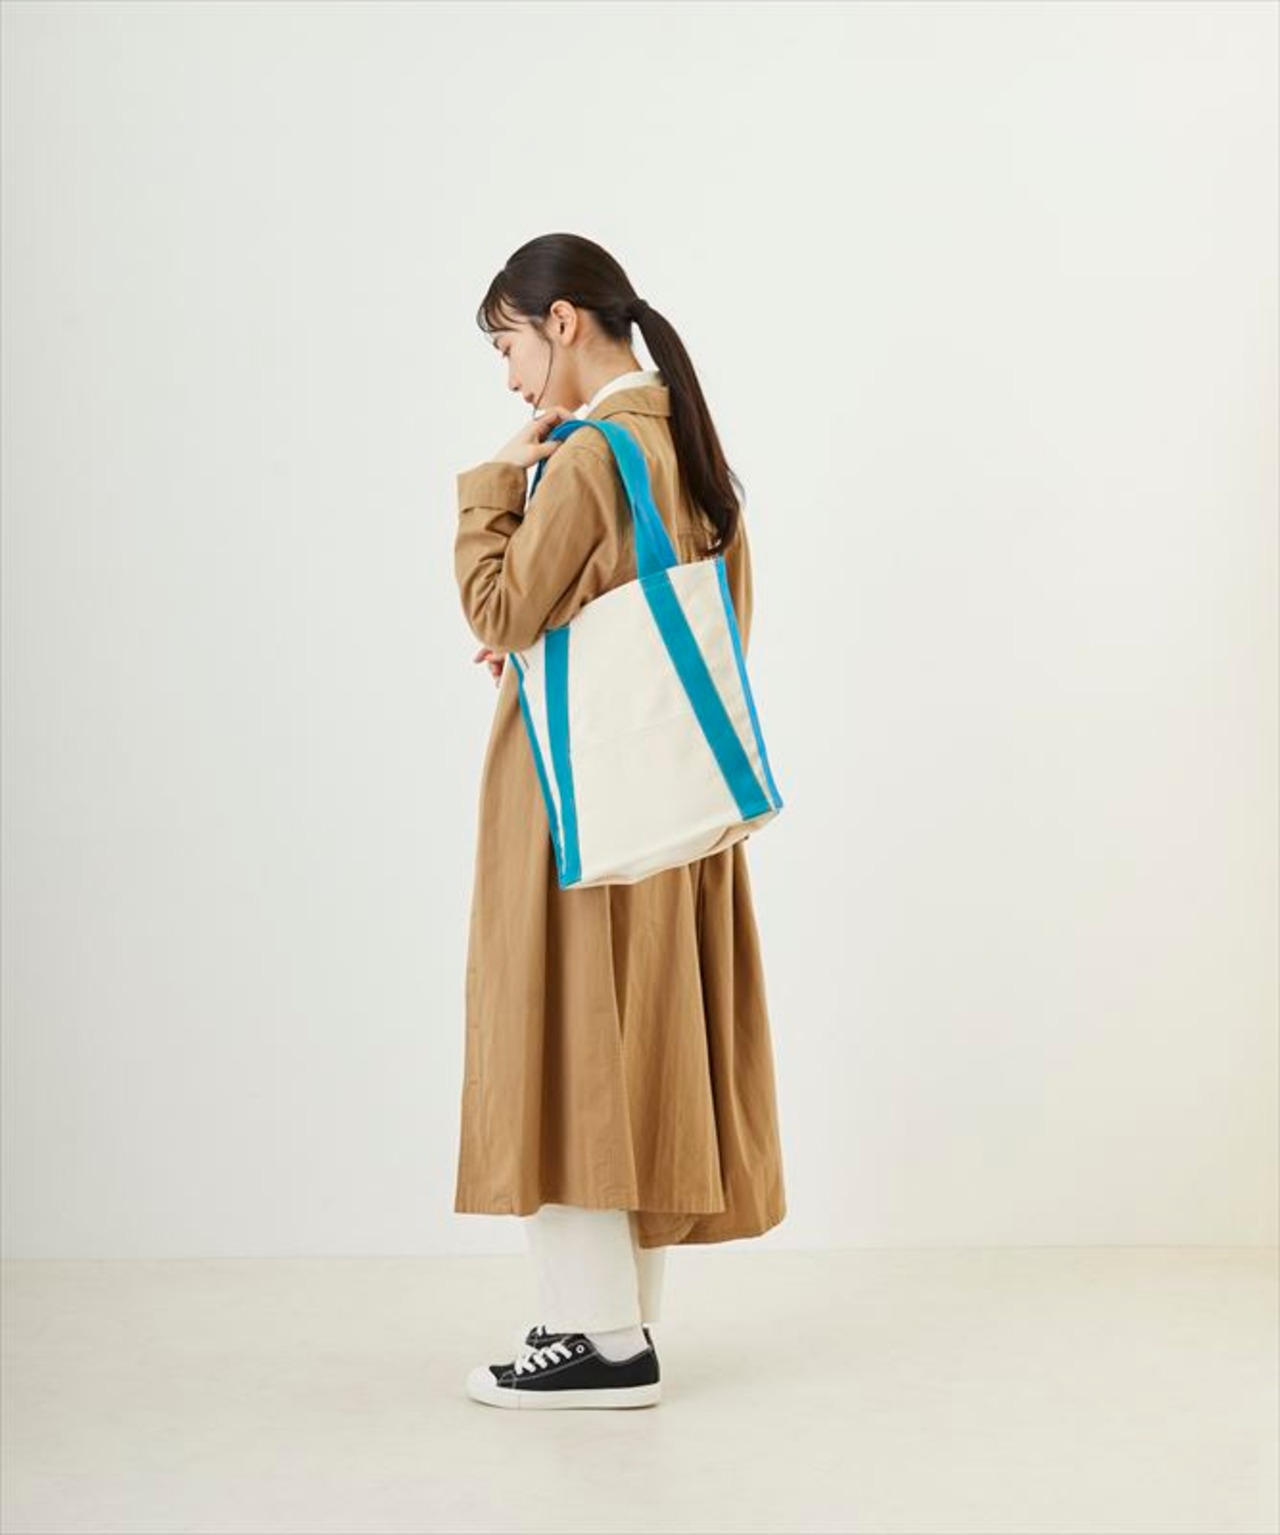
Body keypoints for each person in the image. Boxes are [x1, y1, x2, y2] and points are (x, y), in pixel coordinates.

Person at [452, 233, 786, 1410]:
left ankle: (596, 1338)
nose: (510, 380)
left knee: (560, 1039)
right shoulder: (684, 439)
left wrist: (490, 486)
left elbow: (498, 604)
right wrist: (558, 639)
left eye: (507, 344)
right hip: (666, 802)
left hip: (575, 808)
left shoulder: (591, 453)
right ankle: (614, 1323)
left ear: (559, 323)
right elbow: (712, 617)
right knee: (634, 1043)